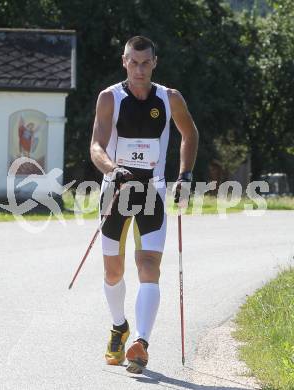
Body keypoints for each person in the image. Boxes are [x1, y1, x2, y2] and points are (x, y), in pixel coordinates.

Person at [90, 36, 199, 373]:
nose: (139, 69)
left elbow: (189, 134)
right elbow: (96, 145)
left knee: (149, 265)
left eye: (145, 63)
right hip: (116, 192)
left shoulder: (170, 98)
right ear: (124, 61)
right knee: (114, 271)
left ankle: (140, 342)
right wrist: (112, 169)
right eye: (133, 62)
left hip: (153, 191)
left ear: (155, 62)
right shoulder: (110, 98)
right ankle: (119, 325)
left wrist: (186, 174)